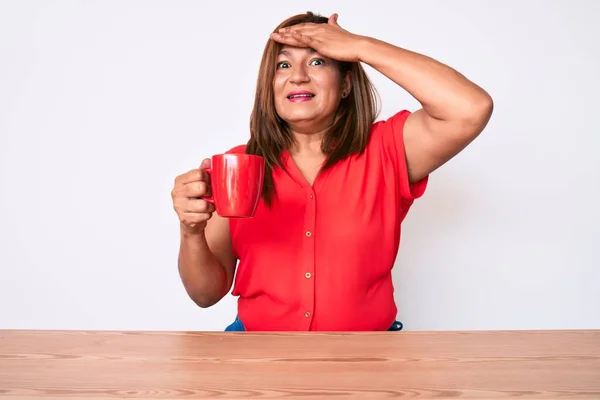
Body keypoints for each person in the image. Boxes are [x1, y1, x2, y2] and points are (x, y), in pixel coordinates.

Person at [171, 11, 493, 331]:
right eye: (283, 65)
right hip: (258, 358)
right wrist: (191, 231)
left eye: (317, 62)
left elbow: (470, 107)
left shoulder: (387, 150)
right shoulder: (237, 166)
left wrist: (360, 47)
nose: (297, 76)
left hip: (366, 360)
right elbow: (205, 294)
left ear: (346, 84)